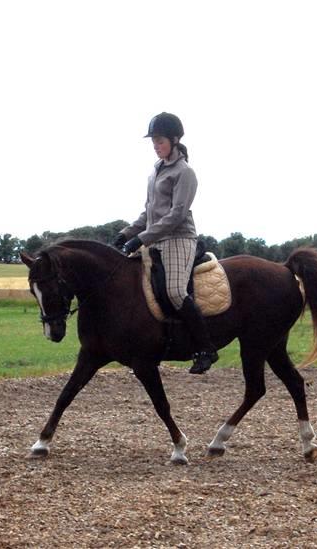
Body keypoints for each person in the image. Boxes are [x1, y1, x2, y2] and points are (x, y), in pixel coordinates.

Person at [113, 112, 218, 374]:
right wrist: (127, 233)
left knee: (174, 292)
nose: (156, 146)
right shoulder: (155, 171)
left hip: (178, 238)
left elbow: (176, 215)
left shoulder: (185, 172)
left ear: (174, 139)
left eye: (159, 141)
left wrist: (142, 238)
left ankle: (205, 348)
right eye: (154, 142)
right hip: (155, 238)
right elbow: (149, 212)